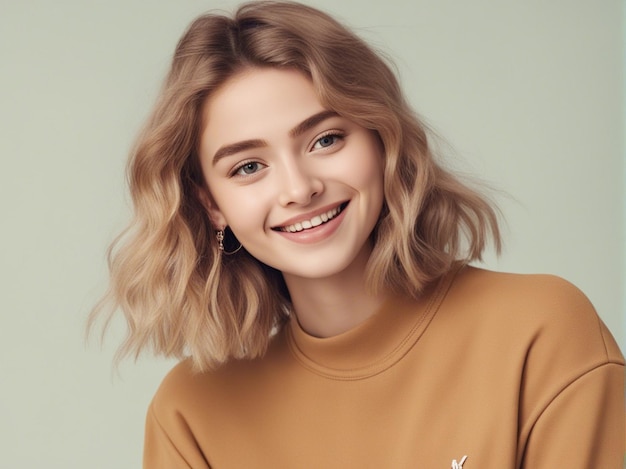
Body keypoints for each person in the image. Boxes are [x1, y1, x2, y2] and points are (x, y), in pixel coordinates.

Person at [91, 1, 625, 467]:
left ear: (381, 139)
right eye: (248, 167)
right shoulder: (191, 415)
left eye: (325, 139)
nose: (299, 189)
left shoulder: (539, 333)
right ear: (212, 205)